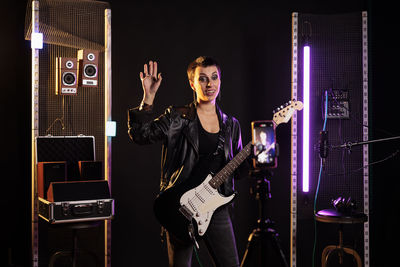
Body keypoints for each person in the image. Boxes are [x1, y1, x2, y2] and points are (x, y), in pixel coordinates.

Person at [128, 56, 247, 267]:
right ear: (192, 83)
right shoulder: (178, 118)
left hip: (217, 208)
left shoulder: (232, 125)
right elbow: (140, 135)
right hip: (181, 207)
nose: (209, 84)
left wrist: (257, 154)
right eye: (202, 79)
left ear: (220, 80)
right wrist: (148, 98)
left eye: (214, 77)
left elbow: (237, 171)